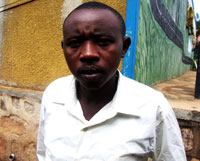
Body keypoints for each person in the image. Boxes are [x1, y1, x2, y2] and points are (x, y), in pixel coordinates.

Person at [37, 2, 186, 161]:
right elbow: (43, 155)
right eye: (75, 43)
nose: (88, 54)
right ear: (64, 48)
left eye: (103, 42)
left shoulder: (152, 107)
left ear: (124, 47)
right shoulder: (53, 95)